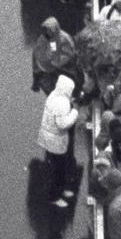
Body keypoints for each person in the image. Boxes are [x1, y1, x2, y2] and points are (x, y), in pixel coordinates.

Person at [39, 74, 82, 207]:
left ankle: (60, 190)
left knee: (57, 167)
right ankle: (55, 196)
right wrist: (75, 112)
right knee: (59, 169)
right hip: (56, 140)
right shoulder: (62, 103)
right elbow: (63, 124)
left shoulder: (53, 95)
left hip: (48, 137)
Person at [31, 17, 77, 93]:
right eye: (46, 30)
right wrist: (36, 77)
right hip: (48, 70)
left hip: (64, 70)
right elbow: (37, 54)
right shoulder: (47, 38)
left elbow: (70, 55)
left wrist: (55, 61)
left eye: (49, 30)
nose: (48, 32)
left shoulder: (64, 38)